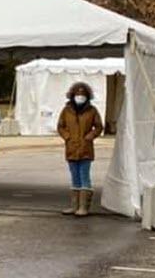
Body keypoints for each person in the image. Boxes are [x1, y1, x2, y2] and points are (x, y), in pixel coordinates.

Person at [57, 82, 103, 217]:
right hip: (71, 148)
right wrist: (67, 137)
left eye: (82, 94)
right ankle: (74, 206)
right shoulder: (66, 110)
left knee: (84, 177)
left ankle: (84, 207)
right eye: (77, 94)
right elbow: (60, 126)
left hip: (85, 149)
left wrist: (90, 136)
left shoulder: (92, 110)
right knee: (74, 177)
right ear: (72, 95)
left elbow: (99, 126)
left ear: (87, 96)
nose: (80, 96)